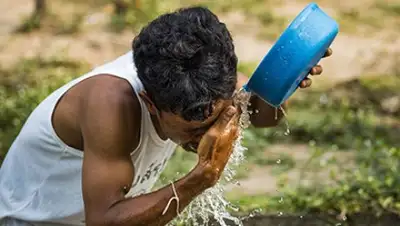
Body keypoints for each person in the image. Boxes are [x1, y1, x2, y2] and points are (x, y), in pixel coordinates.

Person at [0, 6, 332, 226]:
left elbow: (263, 117)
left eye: (214, 120)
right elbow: (104, 221)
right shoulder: (109, 104)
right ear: (150, 103)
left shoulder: (205, 78)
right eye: (194, 130)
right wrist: (202, 177)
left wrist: (281, 86)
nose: (206, 136)